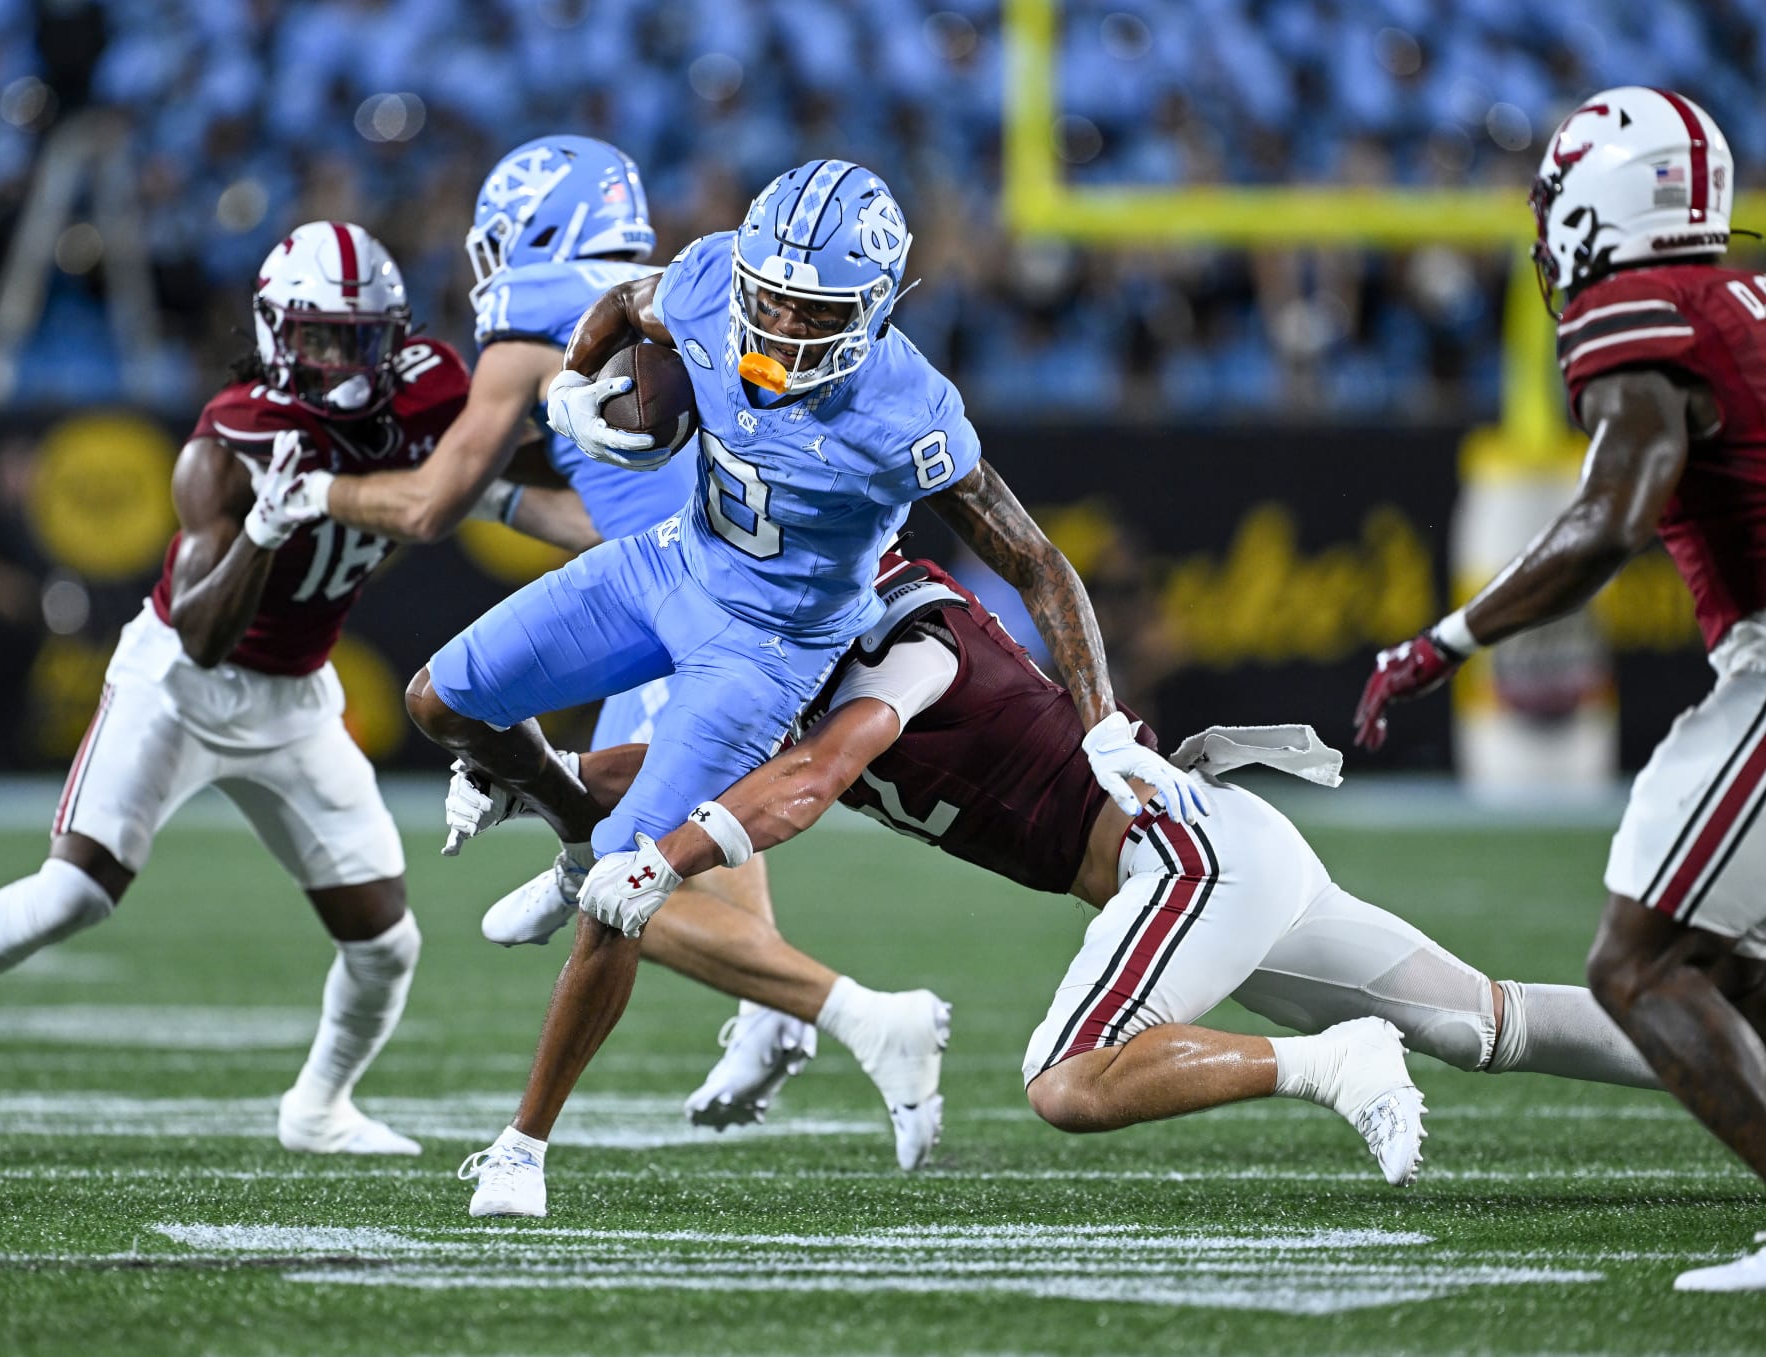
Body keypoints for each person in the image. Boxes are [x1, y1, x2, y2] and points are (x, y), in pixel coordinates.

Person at [315, 158, 1202, 1207]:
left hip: (769, 647)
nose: (776, 323)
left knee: (625, 885)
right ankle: (566, 823)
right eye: (767, 296)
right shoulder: (707, 280)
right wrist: (574, 386)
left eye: (806, 308)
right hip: (670, 565)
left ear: (872, 308)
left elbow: (1037, 564)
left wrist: (1100, 721)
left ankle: (521, 1146)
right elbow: (619, 303)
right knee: (439, 701)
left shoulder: (907, 407)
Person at [452, 551, 1663, 1217]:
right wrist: (540, 773)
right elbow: (723, 759)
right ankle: (1720, 1043)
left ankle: (1329, 1061)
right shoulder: (813, 657)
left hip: (1183, 860)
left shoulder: (911, 636)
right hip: (1224, 855)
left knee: (1069, 1081)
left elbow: (813, 778)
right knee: (1484, 1023)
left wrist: (665, 857)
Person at [289, 136, 849, 1131]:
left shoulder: (538, 320)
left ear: (544, 225)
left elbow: (423, 505)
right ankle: (775, 1010)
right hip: (745, 584)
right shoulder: (669, 293)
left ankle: (831, 1009)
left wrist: (316, 491)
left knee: (623, 873)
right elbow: (612, 516)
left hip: (697, 605)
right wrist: (501, 496)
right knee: (670, 825)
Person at [1354, 87, 1766, 1293]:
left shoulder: (1642, 310)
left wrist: (1441, 641)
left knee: (1636, 963)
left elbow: (1605, 522)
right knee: (1730, 969)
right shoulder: (1740, 298)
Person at [0, 222, 473, 1155]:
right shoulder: (230, 442)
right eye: (318, 335)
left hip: (293, 695)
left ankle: (319, 1106)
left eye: (359, 336)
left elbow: (487, 460)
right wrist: (265, 532)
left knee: (386, 941)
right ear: (278, 334)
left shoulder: (429, 388)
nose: (340, 358)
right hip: (180, 685)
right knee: (74, 894)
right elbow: (201, 635)